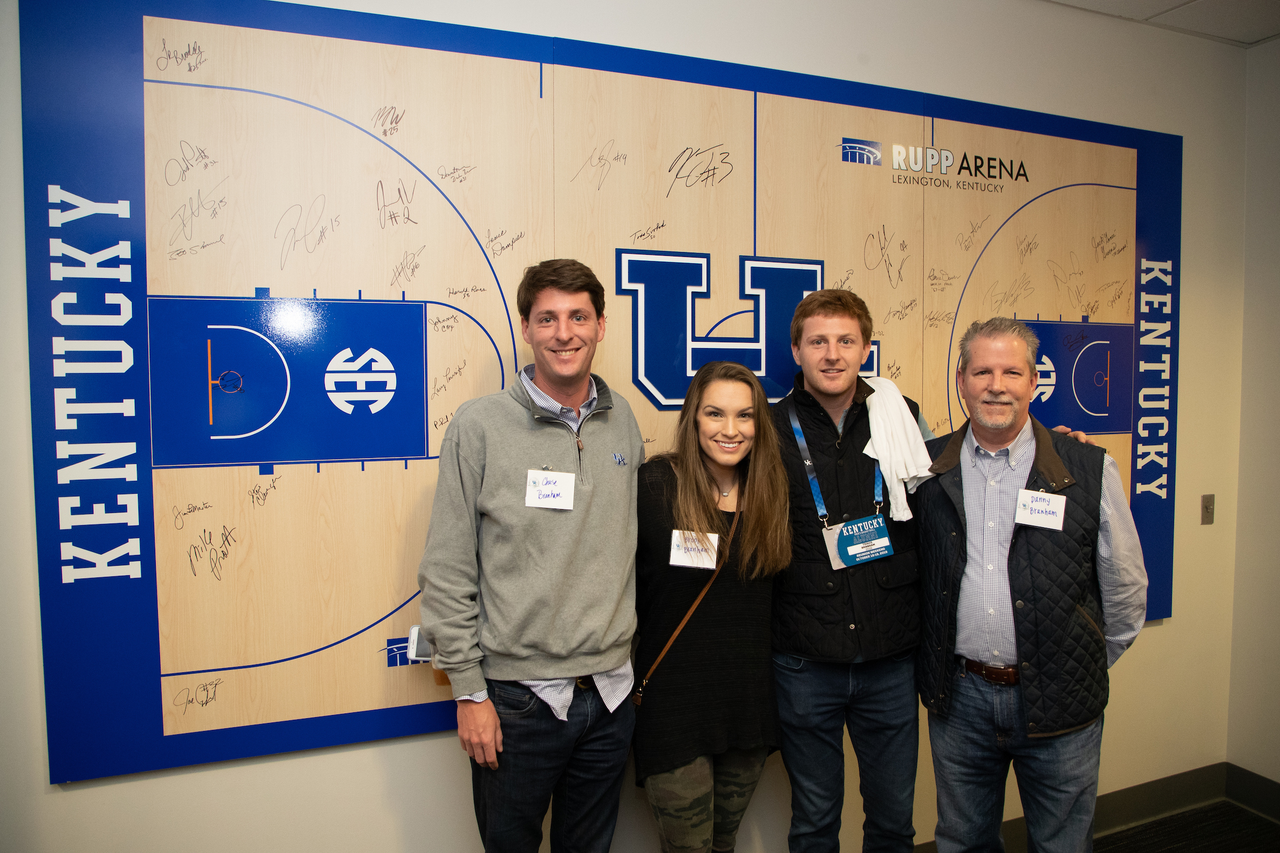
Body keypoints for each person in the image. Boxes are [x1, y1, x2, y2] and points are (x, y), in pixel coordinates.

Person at [416, 259, 646, 853]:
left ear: (601, 325)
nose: (563, 333)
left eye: (578, 317)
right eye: (547, 318)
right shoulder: (480, 426)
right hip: (516, 701)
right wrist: (470, 693)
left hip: (611, 692)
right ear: (526, 327)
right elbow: (447, 568)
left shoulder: (623, 423)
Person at [914, 317, 1148, 853]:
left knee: (1062, 843)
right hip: (961, 700)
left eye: (1012, 372)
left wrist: (1076, 656)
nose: (997, 385)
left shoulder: (1087, 466)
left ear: (1035, 382)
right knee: (961, 840)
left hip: (1061, 697)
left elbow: (1126, 588)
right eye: (983, 371)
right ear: (961, 380)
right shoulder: (927, 469)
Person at [771, 289, 936, 853]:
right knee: (814, 822)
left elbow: (939, 499)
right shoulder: (769, 427)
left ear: (866, 348)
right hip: (804, 658)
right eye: (818, 341)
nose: (833, 354)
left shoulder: (901, 416)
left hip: (889, 658)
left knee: (893, 822)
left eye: (846, 341)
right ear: (796, 350)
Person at [633, 361, 792, 853]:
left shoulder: (773, 490)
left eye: (744, 416)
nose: (730, 430)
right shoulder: (657, 484)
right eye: (714, 414)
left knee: (724, 842)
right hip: (674, 708)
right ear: (693, 419)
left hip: (746, 706)